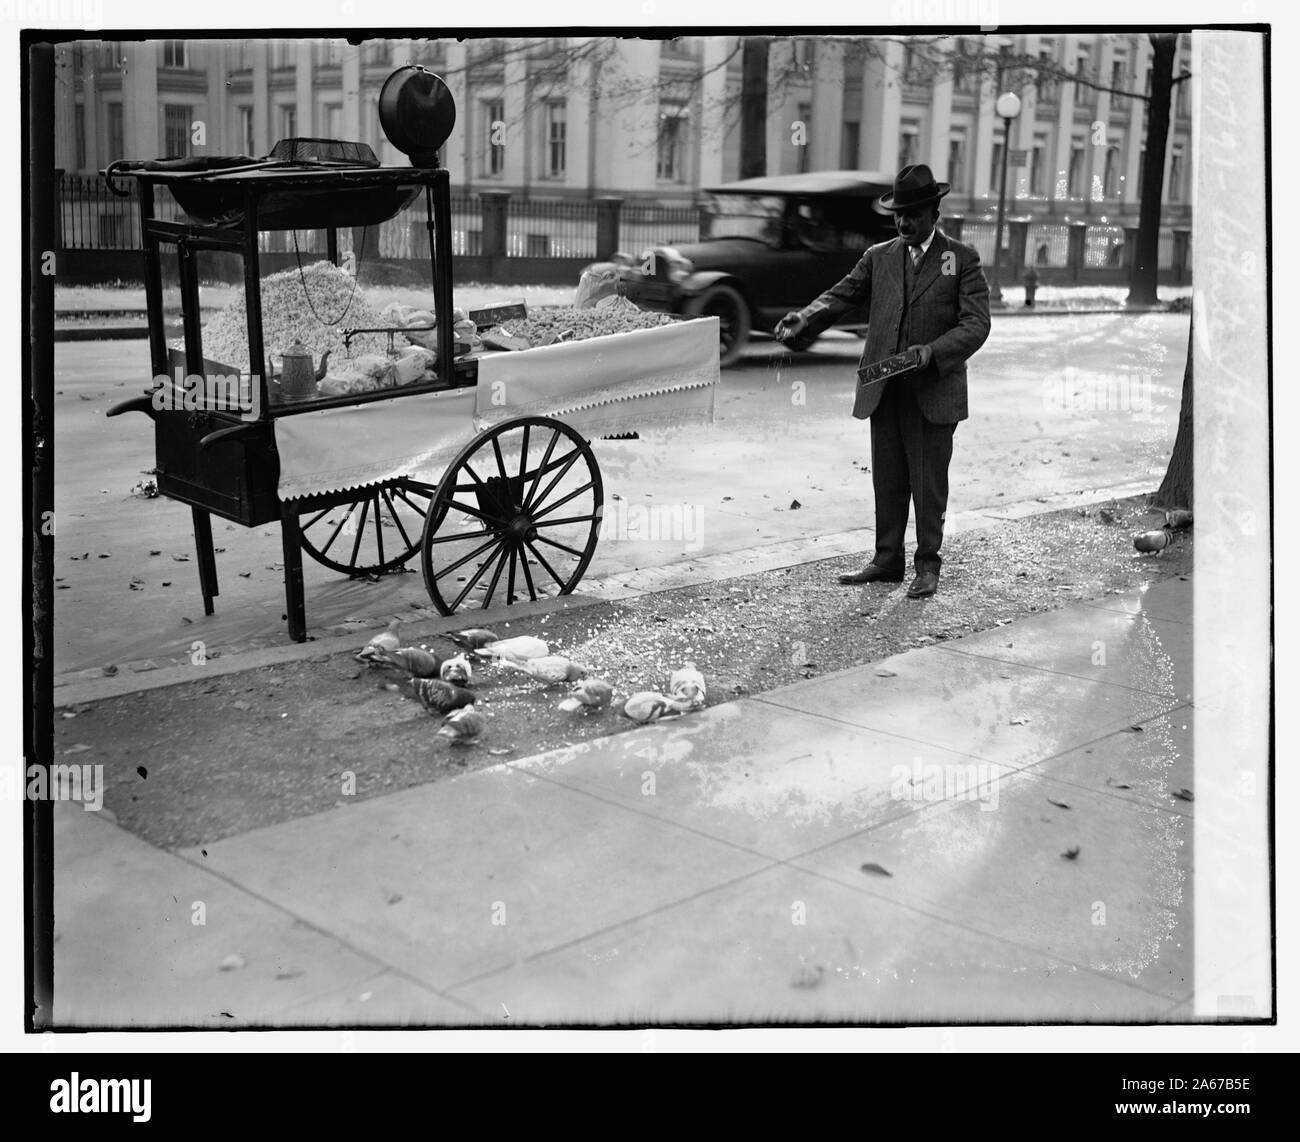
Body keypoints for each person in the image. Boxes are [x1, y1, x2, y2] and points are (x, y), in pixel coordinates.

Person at [775, 164, 991, 598]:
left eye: (912, 213)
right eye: (897, 213)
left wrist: (934, 352)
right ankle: (886, 560)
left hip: (933, 391)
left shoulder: (961, 260)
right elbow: (841, 295)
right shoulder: (879, 257)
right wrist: (806, 318)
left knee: (929, 484)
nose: (902, 222)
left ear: (934, 212)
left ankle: (927, 566)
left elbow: (976, 324)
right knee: (888, 479)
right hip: (885, 390)